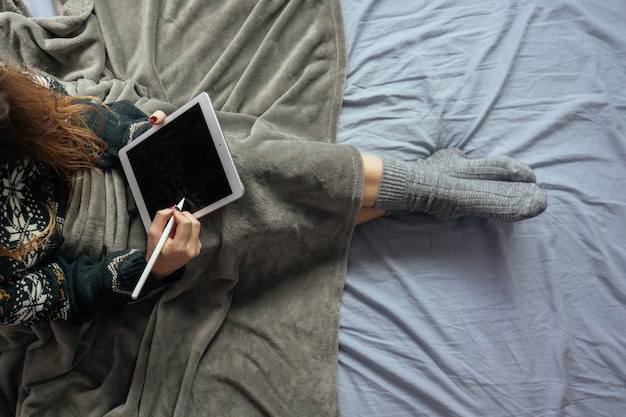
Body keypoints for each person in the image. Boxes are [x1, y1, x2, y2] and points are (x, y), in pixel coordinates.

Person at [0, 63, 547, 326]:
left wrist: (138, 134)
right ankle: (428, 185)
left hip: (119, 162)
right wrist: (150, 266)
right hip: (113, 244)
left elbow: (71, 112)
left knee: (242, 163)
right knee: (233, 227)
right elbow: (63, 292)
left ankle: (425, 189)